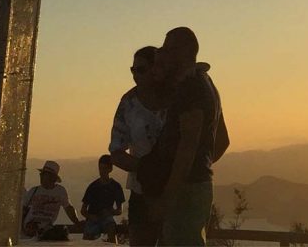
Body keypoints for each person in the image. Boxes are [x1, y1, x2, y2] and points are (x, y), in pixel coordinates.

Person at [138, 27, 229, 247]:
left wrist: (169, 196)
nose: (162, 54)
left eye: (167, 49)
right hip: (196, 186)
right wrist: (201, 166)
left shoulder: (191, 88)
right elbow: (223, 141)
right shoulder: (206, 83)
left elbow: (187, 146)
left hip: (185, 191)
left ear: (182, 52)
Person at [108, 46, 166, 246]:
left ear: (156, 69)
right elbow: (116, 151)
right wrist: (146, 168)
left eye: (140, 69)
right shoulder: (128, 103)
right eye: (133, 70)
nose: (135, 75)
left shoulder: (176, 97)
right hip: (141, 192)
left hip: (175, 191)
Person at [21, 162, 80, 241]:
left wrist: (77, 222)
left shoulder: (60, 191)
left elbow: (68, 208)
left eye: (44, 174)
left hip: (46, 229)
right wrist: (23, 228)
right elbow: (22, 210)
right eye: (41, 174)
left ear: (53, 177)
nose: (41, 176)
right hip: (29, 229)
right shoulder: (33, 191)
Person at [80, 156, 124, 243]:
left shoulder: (116, 186)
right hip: (92, 218)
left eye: (104, 168)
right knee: (88, 236)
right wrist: (91, 216)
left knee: (111, 228)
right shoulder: (93, 187)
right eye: (100, 168)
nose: (101, 171)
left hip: (106, 217)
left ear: (110, 169)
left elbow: (119, 210)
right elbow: (83, 210)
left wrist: (111, 212)